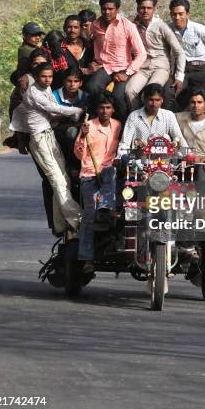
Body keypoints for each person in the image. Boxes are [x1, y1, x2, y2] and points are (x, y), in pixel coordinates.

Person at [10, 62, 84, 235]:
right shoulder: (32, 92)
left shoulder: (46, 89)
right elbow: (52, 107)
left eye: (50, 76)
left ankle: (60, 224)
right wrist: (78, 110)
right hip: (39, 139)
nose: (48, 79)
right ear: (35, 77)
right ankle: (78, 219)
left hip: (49, 135)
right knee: (57, 180)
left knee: (63, 179)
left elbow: (52, 113)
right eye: (44, 76)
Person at [74, 92, 121, 274]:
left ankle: (106, 207)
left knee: (111, 171)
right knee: (89, 217)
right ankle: (87, 259)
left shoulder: (117, 126)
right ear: (97, 110)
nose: (104, 111)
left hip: (109, 174)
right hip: (90, 174)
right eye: (101, 108)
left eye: (108, 107)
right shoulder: (89, 126)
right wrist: (82, 137)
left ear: (113, 110)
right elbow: (79, 154)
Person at [85, 0, 147, 122]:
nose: (107, 12)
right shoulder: (95, 25)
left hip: (123, 68)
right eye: (104, 9)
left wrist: (127, 72)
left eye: (110, 9)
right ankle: (97, 122)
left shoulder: (127, 25)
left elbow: (141, 53)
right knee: (92, 86)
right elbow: (93, 43)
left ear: (117, 9)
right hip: (104, 66)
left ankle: (124, 126)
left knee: (118, 96)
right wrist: (93, 61)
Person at [125, 0, 186, 110]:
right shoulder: (134, 26)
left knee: (150, 93)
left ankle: (154, 122)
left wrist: (179, 77)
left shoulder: (161, 26)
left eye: (149, 8)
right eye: (142, 8)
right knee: (129, 91)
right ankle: (138, 119)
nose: (145, 11)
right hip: (142, 68)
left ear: (154, 9)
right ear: (137, 9)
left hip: (160, 67)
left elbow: (179, 52)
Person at [168, 0, 205, 114]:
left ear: (187, 14)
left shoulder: (198, 28)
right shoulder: (168, 29)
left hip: (199, 68)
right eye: (174, 14)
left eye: (181, 14)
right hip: (180, 70)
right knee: (173, 94)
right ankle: (175, 126)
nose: (177, 17)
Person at [117, 83, 187, 156]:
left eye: (157, 100)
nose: (154, 104)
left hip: (163, 162)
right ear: (144, 99)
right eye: (150, 100)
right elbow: (125, 143)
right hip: (139, 161)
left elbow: (179, 138)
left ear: (162, 100)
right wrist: (121, 160)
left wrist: (188, 156)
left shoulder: (169, 115)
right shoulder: (134, 116)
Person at [53, 67, 88, 176]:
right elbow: (53, 116)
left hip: (79, 129)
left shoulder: (85, 96)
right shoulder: (55, 95)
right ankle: (70, 165)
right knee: (71, 132)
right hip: (58, 130)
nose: (72, 84)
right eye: (69, 81)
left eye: (76, 81)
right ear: (64, 82)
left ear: (80, 83)